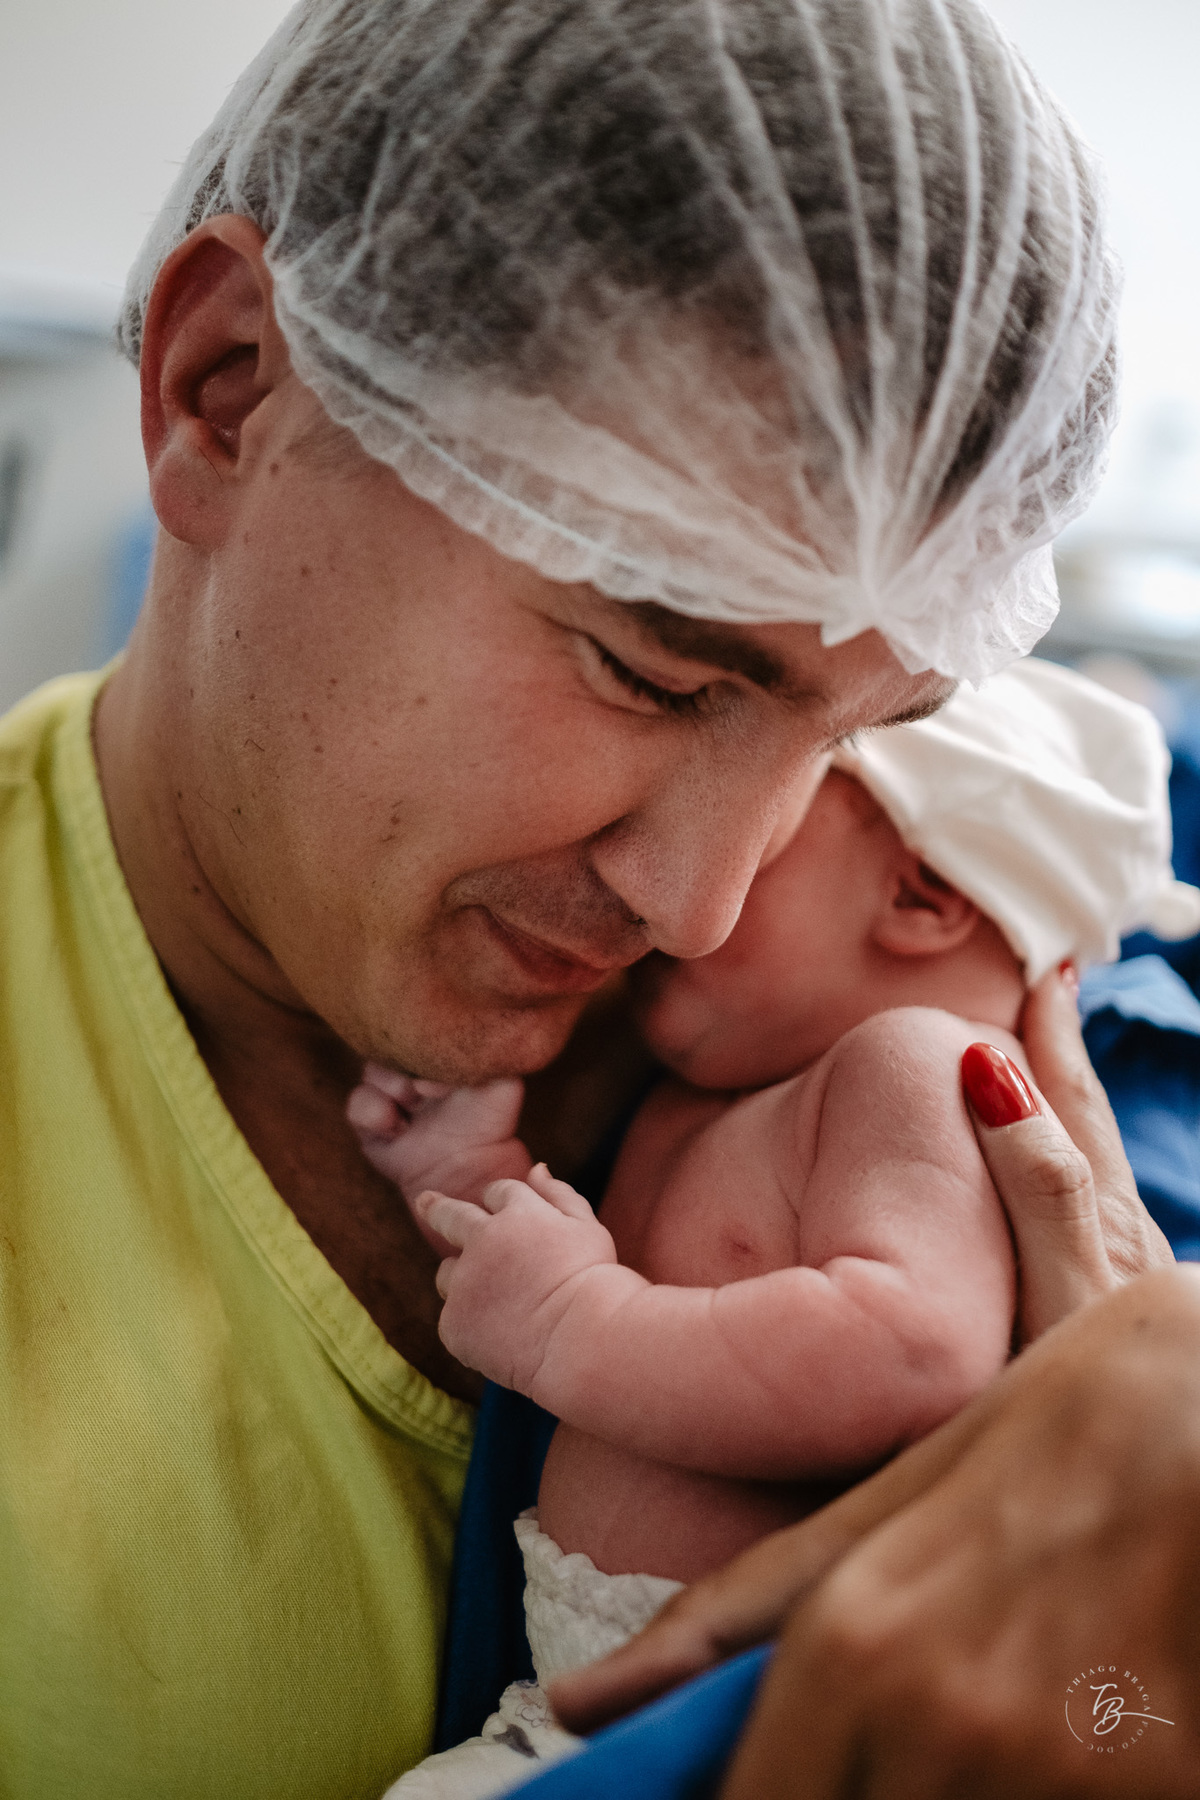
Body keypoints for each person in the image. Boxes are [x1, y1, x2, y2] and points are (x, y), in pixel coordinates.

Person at [1, 0, 1193, 1794]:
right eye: (650, 673)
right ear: (227, 388)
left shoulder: (938, 1022)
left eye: (861, 740)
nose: (704, 906)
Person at [348, 657, 1199, 1797]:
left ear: (921, 896)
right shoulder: (708, 1093)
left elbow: (910, 1350)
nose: (674, 886)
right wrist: (470, 1176)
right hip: (581, 1697)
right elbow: (636, 1287)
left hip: (767, 1708)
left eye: (762, 833)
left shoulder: (916, 1063)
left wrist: (569, 1318)